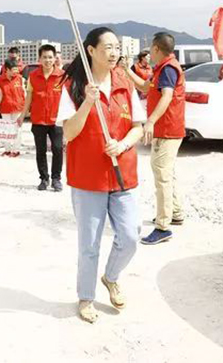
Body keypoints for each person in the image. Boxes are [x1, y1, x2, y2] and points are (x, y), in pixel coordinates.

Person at [57, 27, 145, 324]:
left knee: (131, 235)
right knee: (89, 244)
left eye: (117, 46)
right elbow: (68, 132)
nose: (114, 52)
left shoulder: (125, 82)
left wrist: (122, 144)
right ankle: (85, 297)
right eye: (107, 47)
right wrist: (87, 102)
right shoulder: (73, 87)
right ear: (91, 51)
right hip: (88, 178)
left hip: (122, 174)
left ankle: (111, 276)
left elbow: (138, 126)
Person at [128, 33, 186, 245]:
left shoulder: (168, 69)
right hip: (168, 128)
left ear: (156, 49)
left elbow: (167, 96)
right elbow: (145, 87)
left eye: (150, 49)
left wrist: (150, 121)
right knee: (167, 173)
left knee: (161, 175)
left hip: (167, 129)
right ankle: (175, 212)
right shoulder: (163, 68)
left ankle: (163, 227)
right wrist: (127, 71)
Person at [18, 44, 65, 191]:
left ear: (55, 58)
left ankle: (56, 178)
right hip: (38, 119)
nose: (47, 60)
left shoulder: (62, 75)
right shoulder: (33, 76)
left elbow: (67, 98)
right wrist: (22, 114)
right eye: (44, 57)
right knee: (41, 150)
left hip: (56, 120)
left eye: (50, 57)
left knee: (57, 149)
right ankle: (44, 179)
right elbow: (29, 96)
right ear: (39, 58)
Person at [0, 58, 26, 157]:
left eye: (17, 70)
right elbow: (0, 94)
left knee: (17, 129)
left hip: (18, 107)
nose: (15, 72)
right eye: (13, 70)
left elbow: (24, 93)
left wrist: (26, 107)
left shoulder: (20, 79)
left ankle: (16, 150)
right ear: (7, 69)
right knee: (6, 129)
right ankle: (7, 149)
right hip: (5, 108)